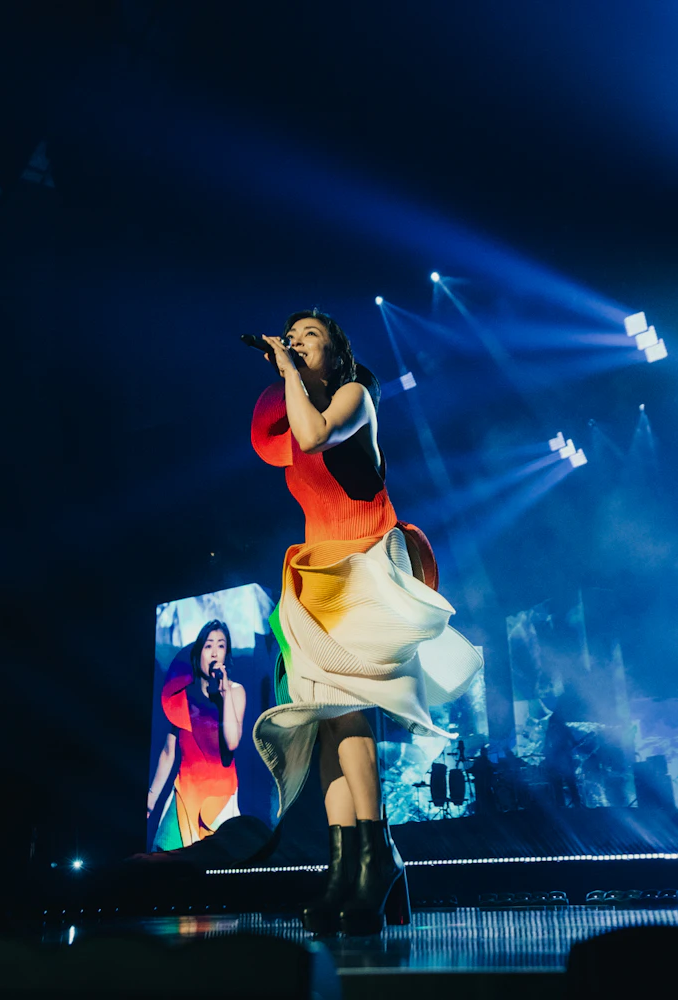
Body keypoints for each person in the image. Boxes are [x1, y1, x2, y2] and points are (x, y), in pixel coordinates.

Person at [249, 309, 482, 935]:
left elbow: (314, 436)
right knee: (324, 722)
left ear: (338, 353)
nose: (295, 343)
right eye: (290, 336)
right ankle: (347, 866)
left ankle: (376, 859)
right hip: (315, 571)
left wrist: (292, 374)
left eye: (310, 337)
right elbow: (292, 436)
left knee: (347, 712)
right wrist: (291, 376)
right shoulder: (294, 404)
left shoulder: (355, 395)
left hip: (363, 564)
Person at [147, 619, 248, 849]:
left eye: (221, 646)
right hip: (185, 790)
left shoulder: (235, 691)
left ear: (226, 654)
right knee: (163, 862)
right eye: (208, 645)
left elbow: (232, 742)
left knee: (214, 868)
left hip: (220, 796)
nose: (214, 652)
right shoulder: (183, 695)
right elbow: (168, 752)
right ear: (199, 652)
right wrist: (151, 798)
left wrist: (224, 695)